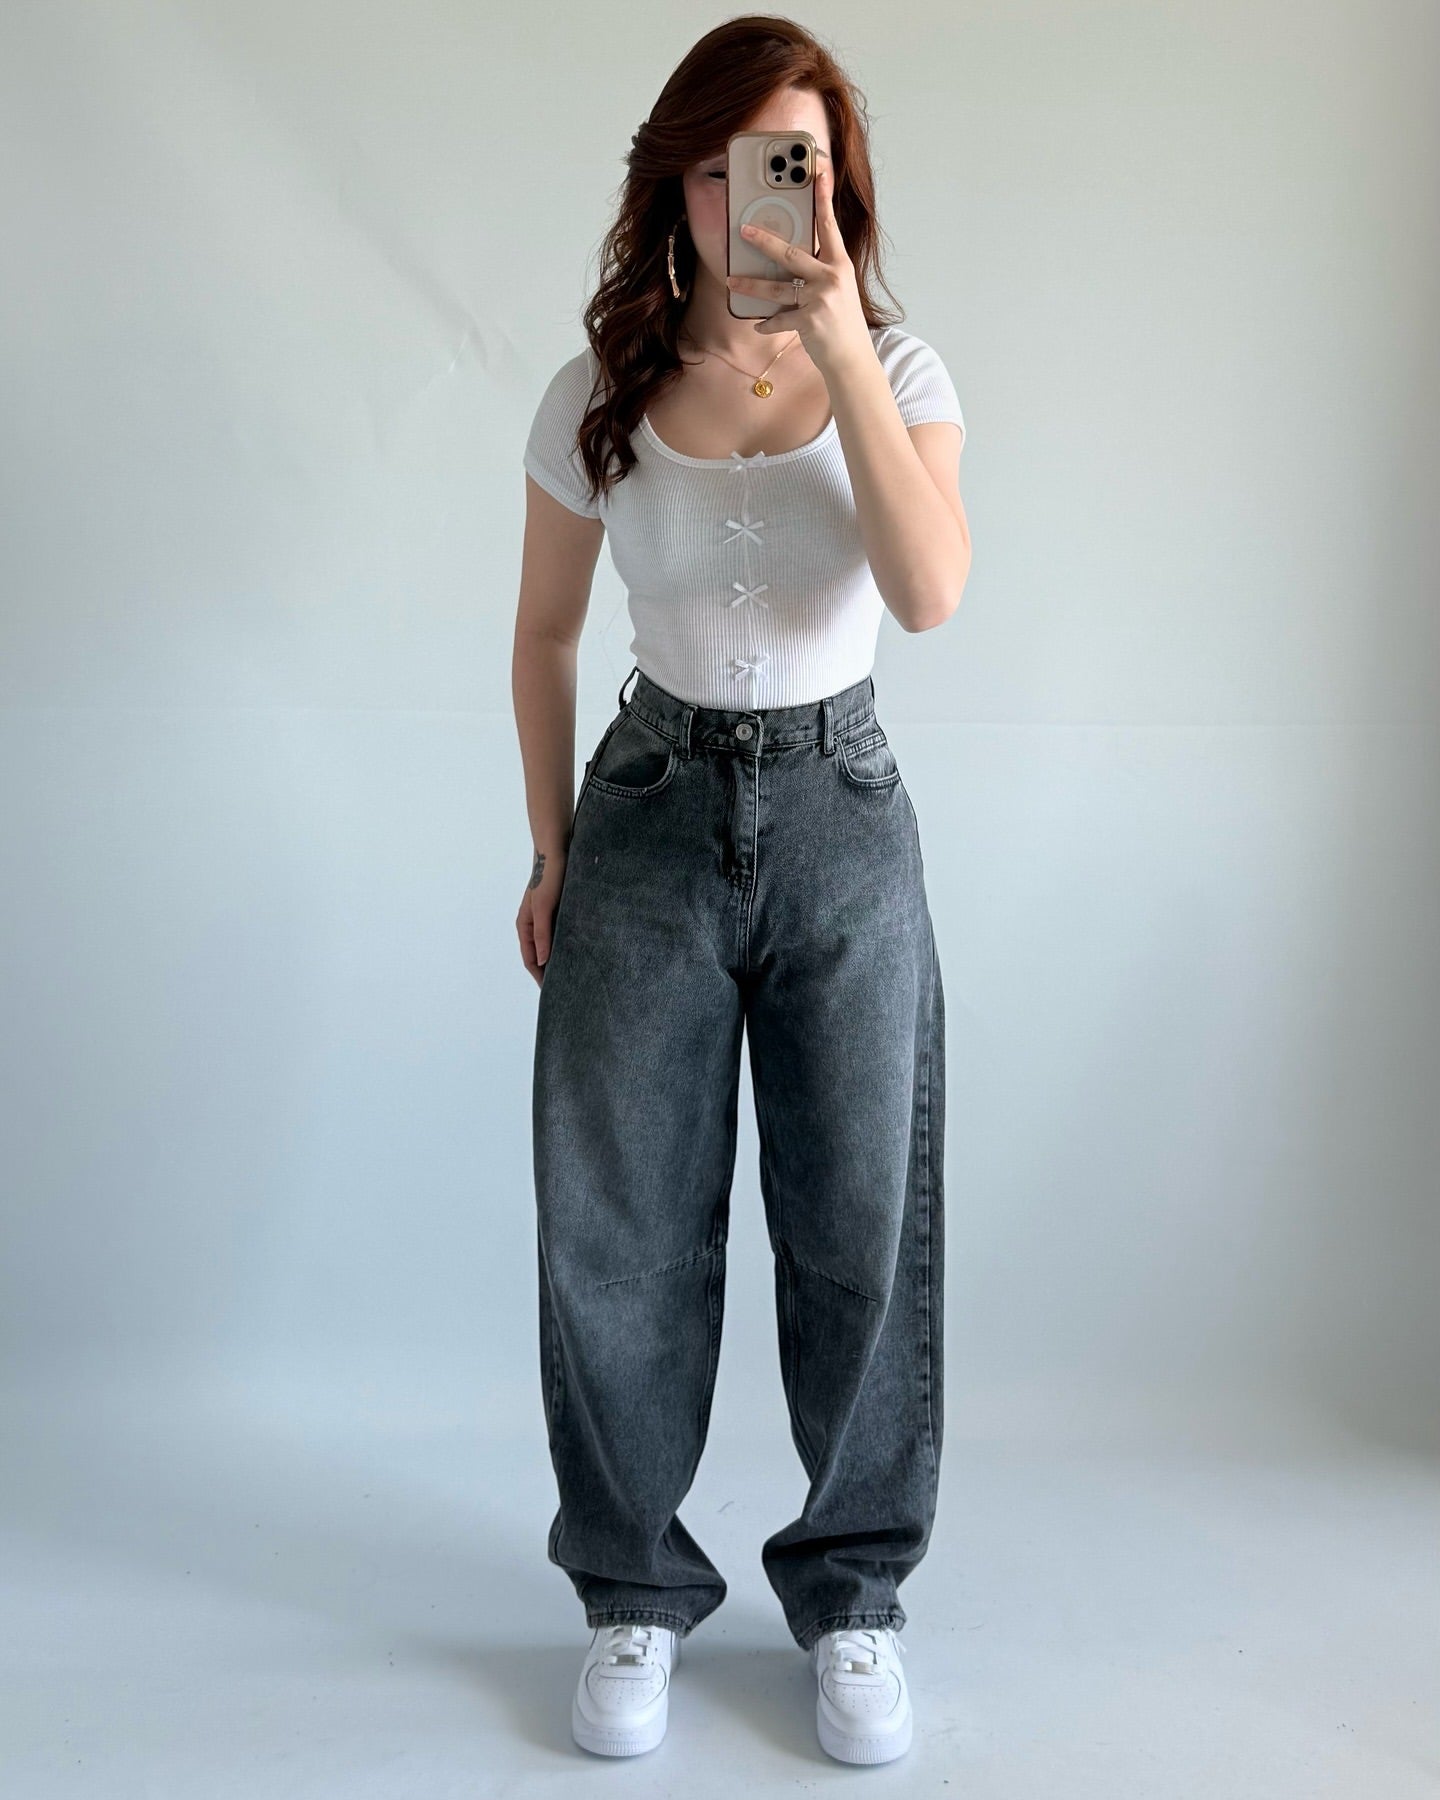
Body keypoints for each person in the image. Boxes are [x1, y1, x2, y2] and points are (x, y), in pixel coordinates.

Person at [512, 18, 971, 1766]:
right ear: (673, 184)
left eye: (788, 163)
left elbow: (928, 593)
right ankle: (631, 1587)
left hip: (845, 813)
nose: (749, 199)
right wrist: (551, 846)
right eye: (717, 167)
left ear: (836, 182)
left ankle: (852, 1597)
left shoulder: (904, 368)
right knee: (619, 1223)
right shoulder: (600, 388)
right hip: (647, 812)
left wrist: (838, 340)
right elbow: (544, 634)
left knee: (860, 1225)